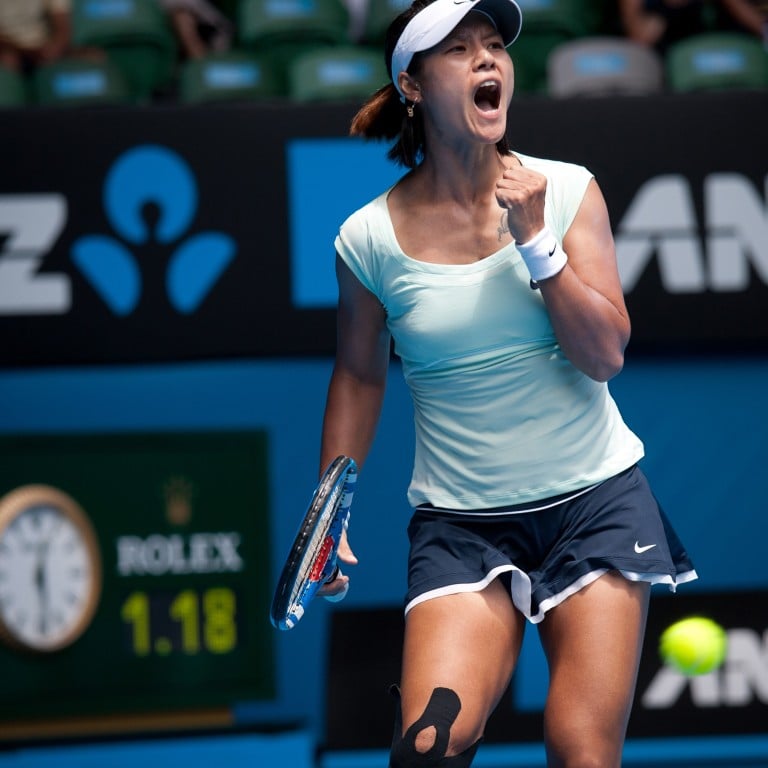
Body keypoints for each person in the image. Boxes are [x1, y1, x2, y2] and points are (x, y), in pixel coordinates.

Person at [317, 0, 698, 765]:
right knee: (428, 749)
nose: (487, 60)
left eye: (494, 45)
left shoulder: (565, 193)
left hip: (594, 508)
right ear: (413, 86)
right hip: (461, 529)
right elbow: (359, 375)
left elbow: (605, 356)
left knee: (580, 751)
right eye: (459, 51)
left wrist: (537, 247)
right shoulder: (366, 239)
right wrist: (331, 507)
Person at [0, 0, 73, 73]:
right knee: (8, 59)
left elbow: (62, 29)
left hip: (42, 47)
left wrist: (52, 50)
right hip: (8, 47)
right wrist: (26, 51)